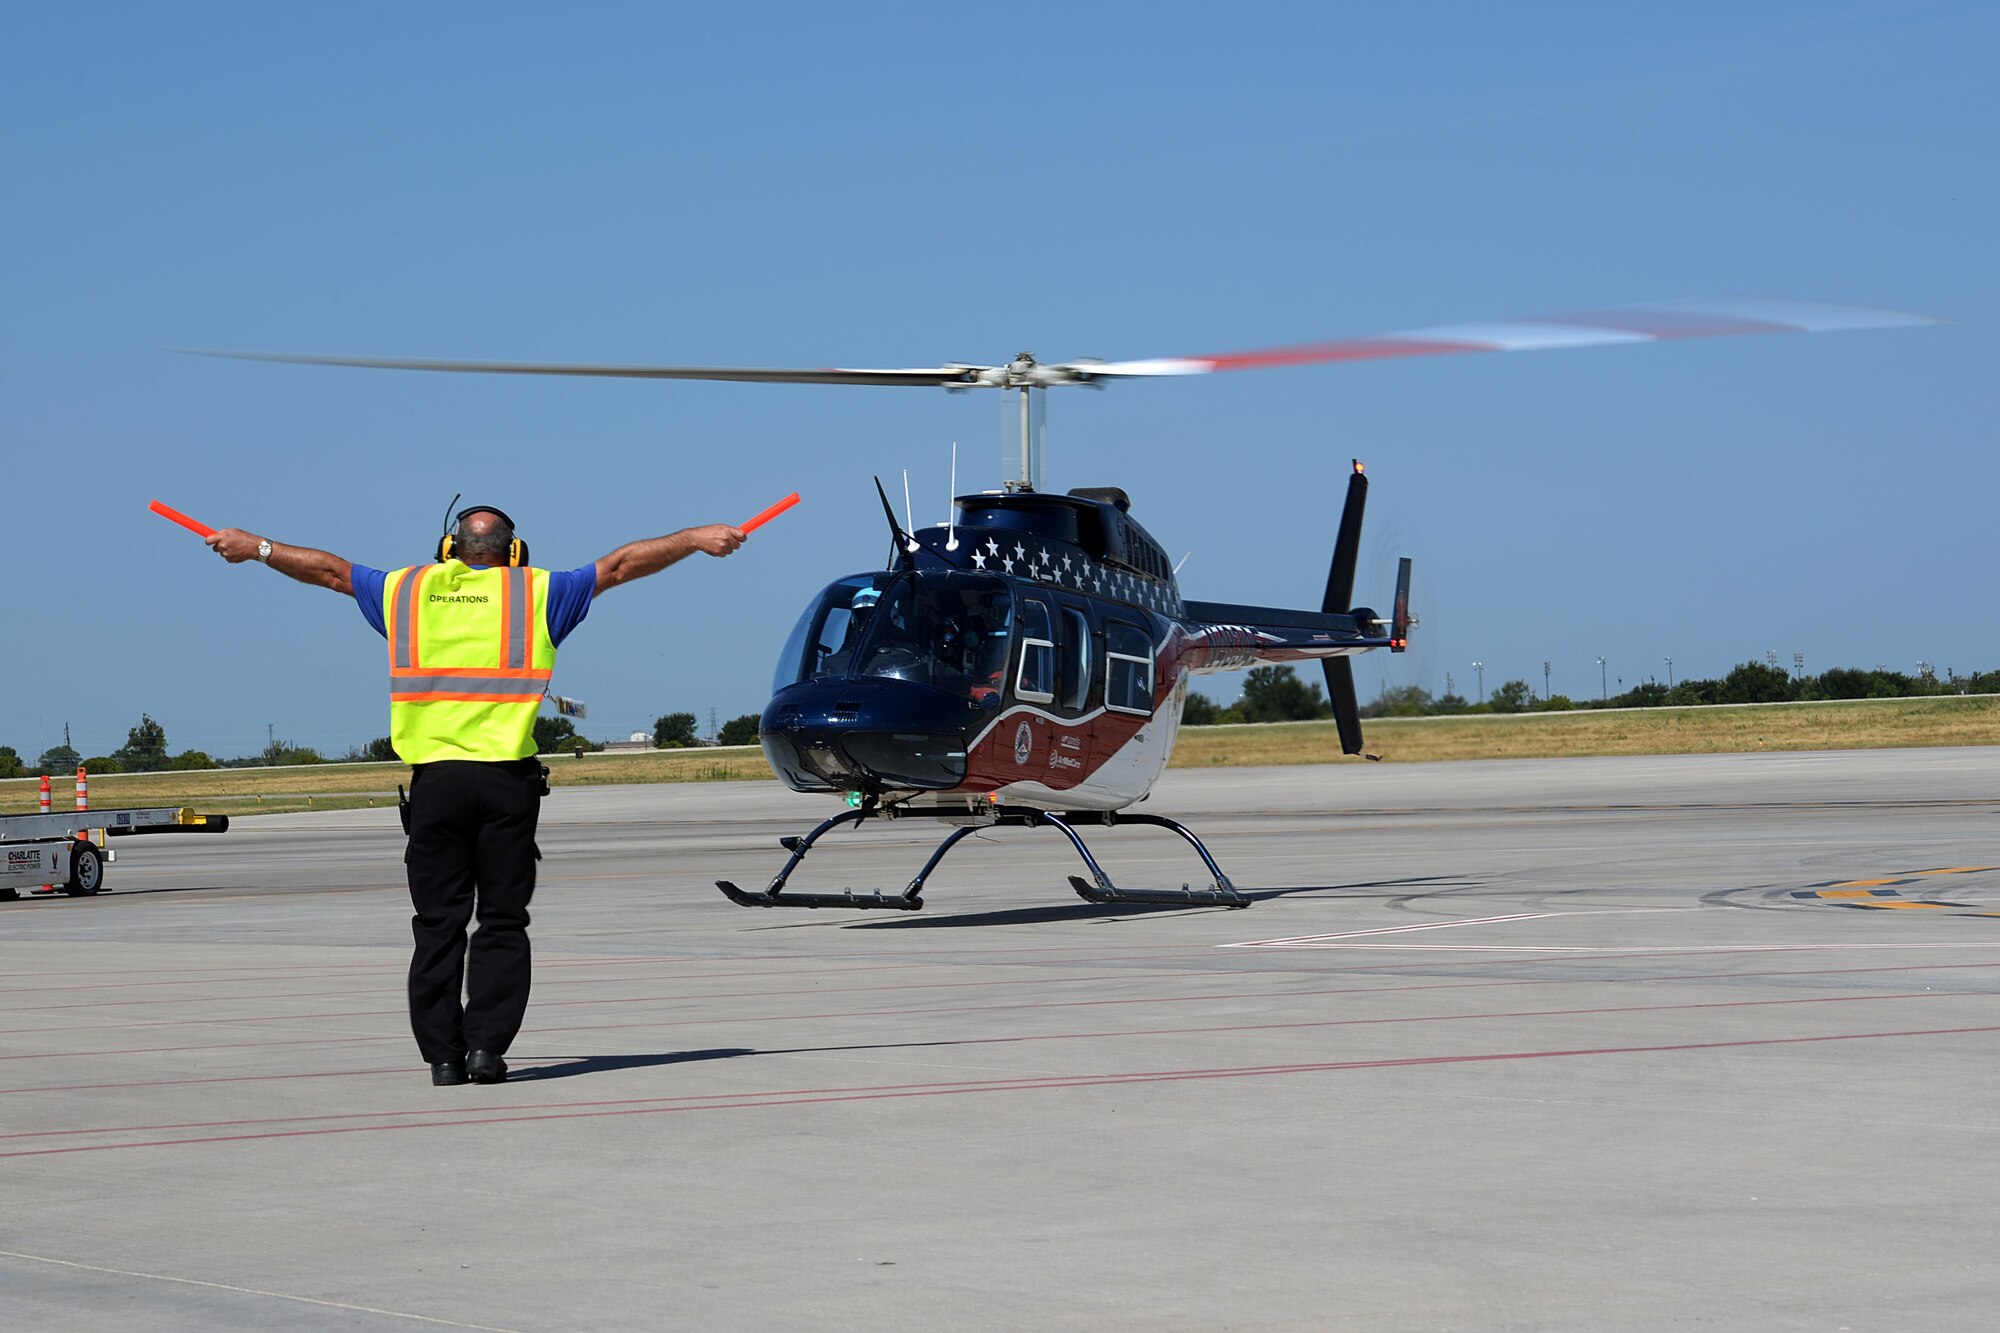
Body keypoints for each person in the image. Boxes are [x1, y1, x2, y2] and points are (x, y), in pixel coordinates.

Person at [206, 506, 744, 1086]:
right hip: (507, 783)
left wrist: (254, 546)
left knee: (437, 922)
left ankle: (443, 1057)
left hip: (437, 784)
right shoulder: (539, 592)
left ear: (448, 547)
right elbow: (618, 566)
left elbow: (330, 571)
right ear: (516, 551)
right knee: (503, 922)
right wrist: (692, 538)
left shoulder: (405, 591)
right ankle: (486, 1051)